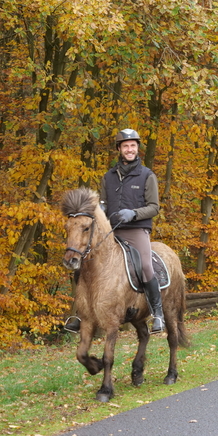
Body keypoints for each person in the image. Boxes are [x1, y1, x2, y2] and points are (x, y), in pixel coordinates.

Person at [64, 128, 165, 334]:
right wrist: (98, 212)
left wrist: (133, 214)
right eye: (126, 146)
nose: (130, 149)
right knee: (84, 264)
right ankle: (79, 314)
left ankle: (157, 313)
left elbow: (154, 207)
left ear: (137, 149)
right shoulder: (108, 177)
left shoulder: (147, 175)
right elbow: (103, 204)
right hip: (111, 233)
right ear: (119, 149)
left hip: (136, 230)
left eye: (133, 146)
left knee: (145, 265)